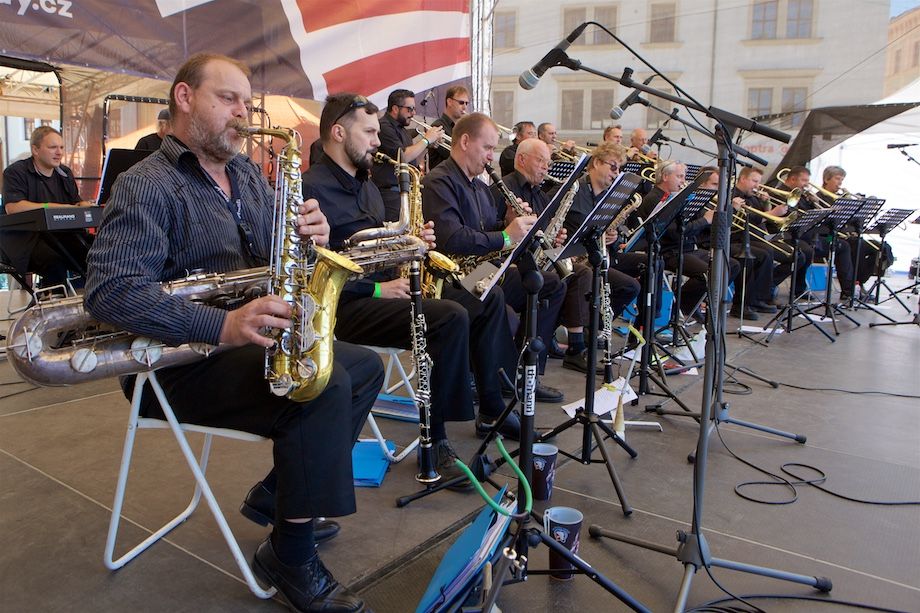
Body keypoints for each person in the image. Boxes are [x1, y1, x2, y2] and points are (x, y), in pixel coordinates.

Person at [83, 53, 381, 613]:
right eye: (228, 99)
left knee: (362, 366)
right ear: (184, 98)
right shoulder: (145, 183)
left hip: (244, 343)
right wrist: (222, 324)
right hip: (174, 362)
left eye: (247, 102)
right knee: (322, 387)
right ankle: (290, 556)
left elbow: (279, 257)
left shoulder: (245, 174)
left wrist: (310, 237)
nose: (243, 114)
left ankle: (280, 497)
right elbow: (112, 292)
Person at [302, 93, 522, 490]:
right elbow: (310, 271)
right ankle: (435, 444)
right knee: (448, 318)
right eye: (369, 133)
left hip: (389, 290)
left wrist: (413, 241)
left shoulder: (367, 187)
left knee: (482, 298)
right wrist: (378, 289)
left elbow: (381, 246)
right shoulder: (310, 189)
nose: (377, 142)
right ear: (338, 133)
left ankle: (490, 405)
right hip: (344, 305)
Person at [423, 112, 565, 403]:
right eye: (487, 148)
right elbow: (452, 237)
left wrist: (509, 223)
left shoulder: (480, 187)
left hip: (480, 269)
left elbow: (489, 231)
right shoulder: (439, 181)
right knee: (494, 298)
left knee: (548, 283)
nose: (491, 156)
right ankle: (500, 384)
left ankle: (525, 372)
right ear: (465, 141)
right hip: (450, 278)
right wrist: (506, 236)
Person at [555, 142, 642, 371]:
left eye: (619, 169)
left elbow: (610, 233)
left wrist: (612, 236)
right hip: (569, 260)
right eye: (613, 167)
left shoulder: (609, 198)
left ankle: (593, 329)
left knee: (630, 286)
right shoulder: (572, 190)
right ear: (595, 163)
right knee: (585, 278)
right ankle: (577, 347)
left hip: (592, 259)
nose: (616, 173)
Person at [639, 160, 739, 319]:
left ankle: (692, 303)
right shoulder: (655, 198)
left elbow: (695, 226)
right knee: (708, 274)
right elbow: (674, 233)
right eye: (679, 176)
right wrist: (704, 220)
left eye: (684, 177)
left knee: (731, 265)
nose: (683, 181)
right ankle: (680, 306)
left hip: (688, 248)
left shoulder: (677, 197)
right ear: (665, 176)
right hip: (668, 252)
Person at [2, 125, 95, 288]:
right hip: (24, 239)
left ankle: (88, 298)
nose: (59, 152)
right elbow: (13, 208)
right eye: (53, 147)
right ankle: (51, 301)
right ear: (35, 150)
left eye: (61, 147)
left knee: (94, 254)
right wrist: (52, 207)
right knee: (54, 263)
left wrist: (84, 206)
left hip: (59, 236)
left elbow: (75, 202)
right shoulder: (15, 172)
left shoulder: (65, 173)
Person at [695, 167, 777, 319]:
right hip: (708, 242)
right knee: (747, 257)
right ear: (701, 184)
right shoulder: (699, 201)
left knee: (764, 253)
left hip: (722, 240)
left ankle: (754, 300)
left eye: (720, 185)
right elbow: (715, 226)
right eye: (714, 184)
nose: (718, 189)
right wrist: (732, 209)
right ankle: (740, 305)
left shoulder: (720, 198)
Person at [772, 165, 854, 300]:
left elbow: (814, 217)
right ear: (792, 179)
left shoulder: (805, 195)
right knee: (806, 251)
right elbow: (793, 217)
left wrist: (813, 203)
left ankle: (848, 291)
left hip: (815, 237)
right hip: (789, 236)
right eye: (804, 180)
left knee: (843, 245)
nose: (807, 184)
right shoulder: (780, 193)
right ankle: (784, 286)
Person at [370, 88, 444, 220]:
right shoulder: (384, 127)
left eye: (414, 109)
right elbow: (403, 157)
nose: (413, 113)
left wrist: (428, 146)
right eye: (409, 109)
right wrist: (426, 140)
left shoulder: (402, 130)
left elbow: (413, 160)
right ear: (395, 109)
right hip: (390, 195)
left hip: (405, 193)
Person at [428, 85, 470, 170]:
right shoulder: (438, 126)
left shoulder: (460, 128)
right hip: (443, 176)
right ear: (449, 102)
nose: (465, 107)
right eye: (461, 102)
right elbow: (456, 156)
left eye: (466, 103)